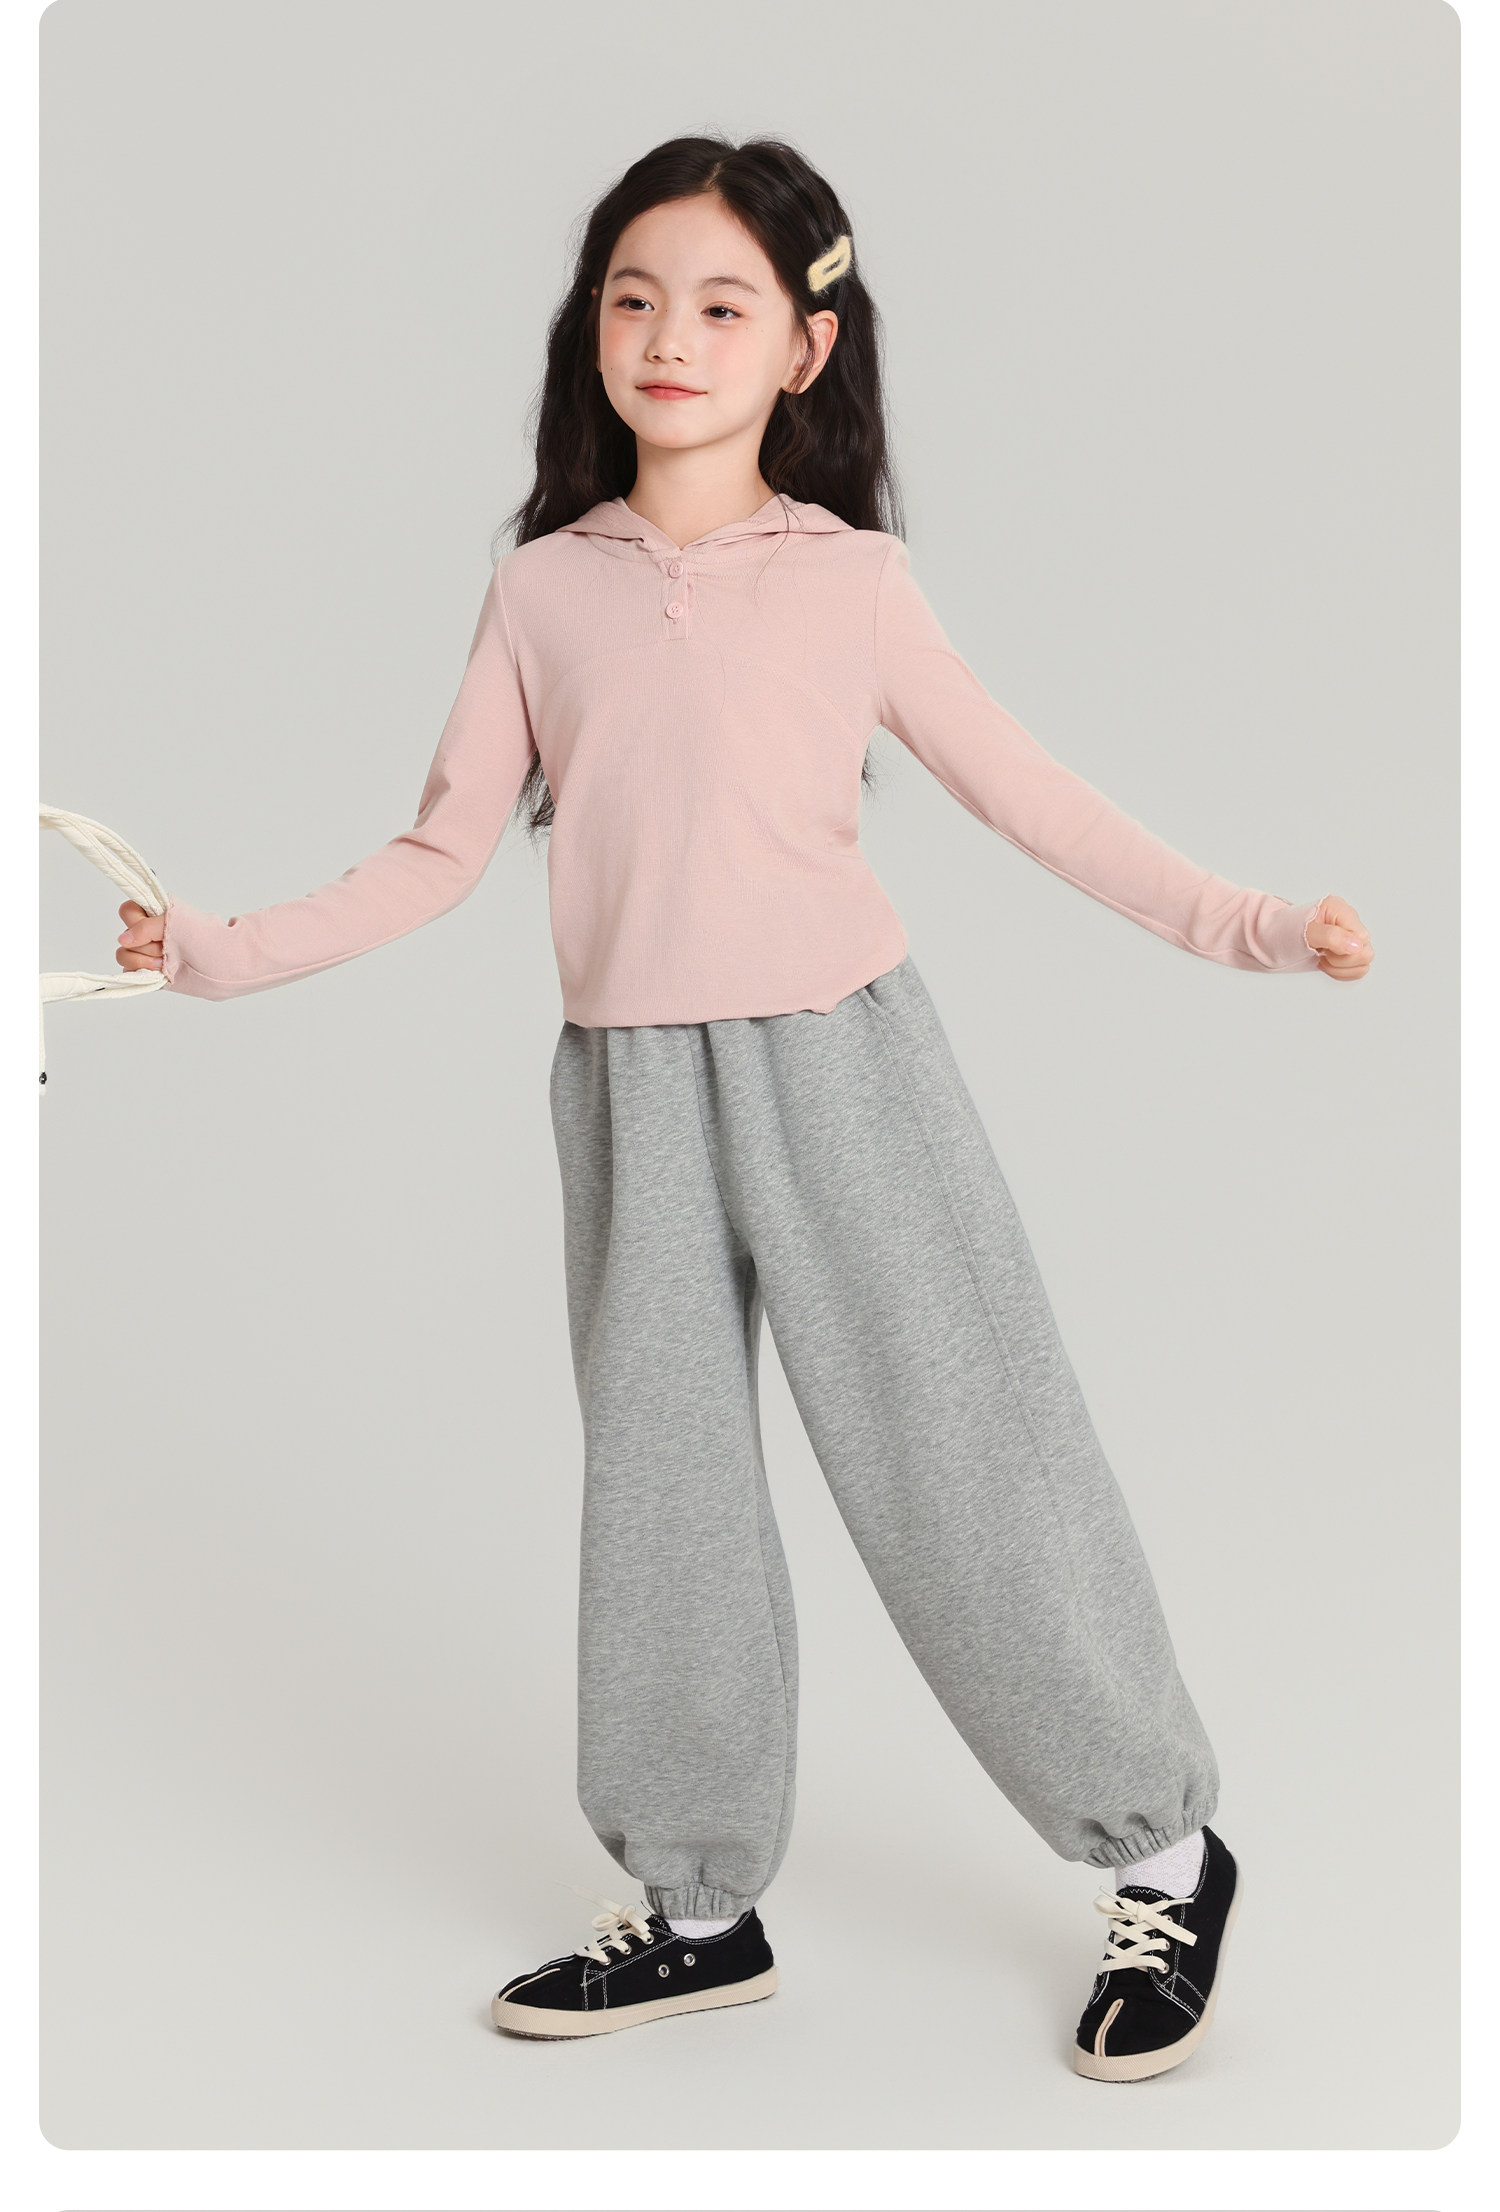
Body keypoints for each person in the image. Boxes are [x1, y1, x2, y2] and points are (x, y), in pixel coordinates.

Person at [116, 134, 1373, 2080]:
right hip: (630, 1085)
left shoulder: (850, 580)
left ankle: (1164, 1848)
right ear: (589, 330)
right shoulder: (541, 592)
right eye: (633, 297)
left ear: (807, 344)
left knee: (967, 1458)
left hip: (842, 1063)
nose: (669, 336)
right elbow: (437, 852)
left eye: (720, 303)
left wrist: (1251, 923)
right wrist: (211, 950)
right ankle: (701, 1905)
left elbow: (1028, 792)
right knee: (665, 1501)